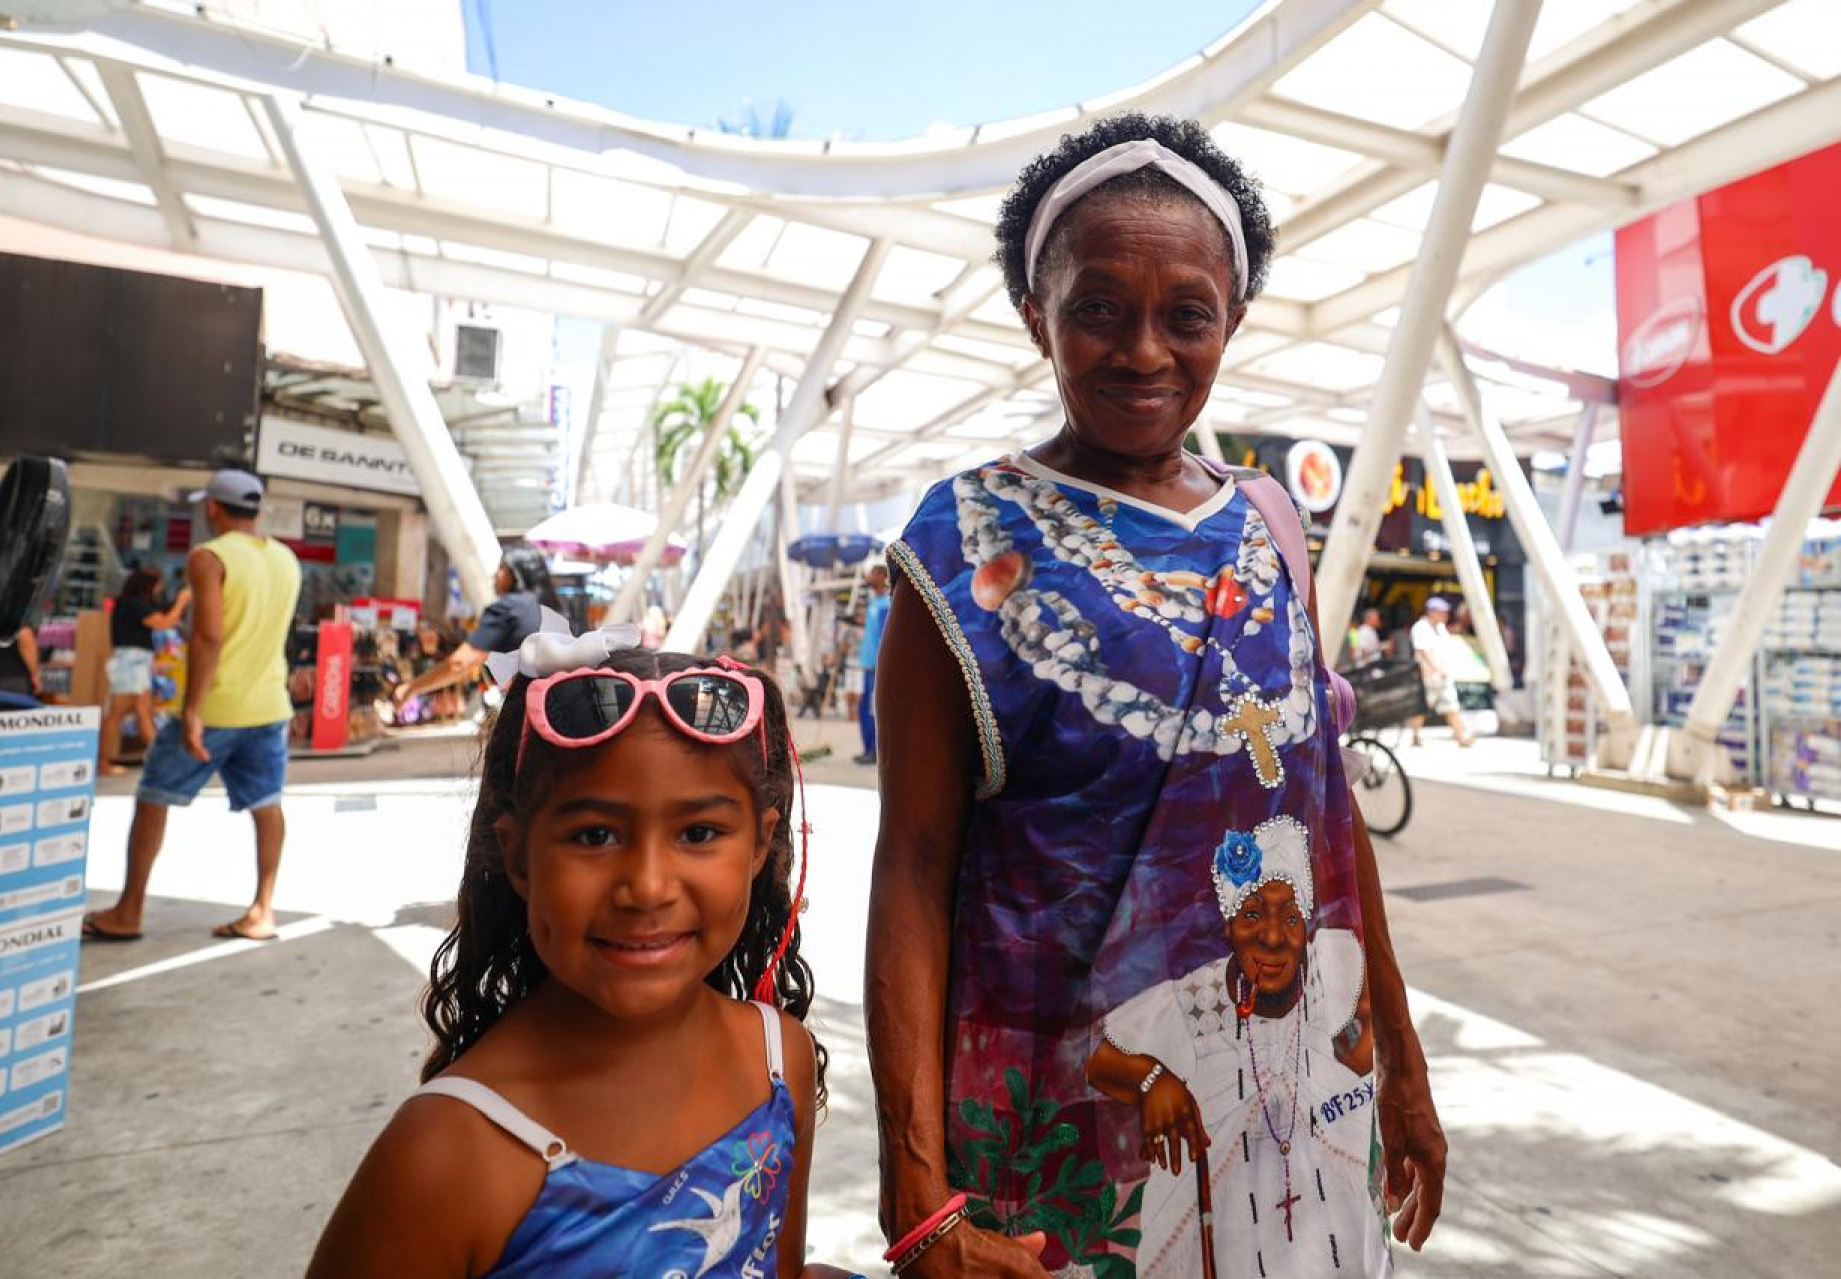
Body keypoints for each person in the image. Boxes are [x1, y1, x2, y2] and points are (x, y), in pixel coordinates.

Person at [866, 114, 1444, 1279]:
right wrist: (914, 1186)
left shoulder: (1270, 520)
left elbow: (1327, 810)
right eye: (1098, 308)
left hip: (1300, 1109)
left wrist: (1403, 1060)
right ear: (1036, 314)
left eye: (1187, 314)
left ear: (1234, 318)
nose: (1143, 351)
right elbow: (914, 868)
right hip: (1064, 1141)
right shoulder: (962, 539)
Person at [306, 644, 847, 1278]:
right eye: (595, 835)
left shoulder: (780, 1060)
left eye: (698, 833)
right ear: (517, 856)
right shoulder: (444, 1155)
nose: (648, 887)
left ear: (760, 844)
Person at [1087, 817, 1376, 1273]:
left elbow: (1367, 1046)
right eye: (1252, 915)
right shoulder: (1196, 1001)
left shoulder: (1328, 971)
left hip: (1322, 1210)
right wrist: (1153, 1079)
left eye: (1291, 918)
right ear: (1229, 925)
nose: (1273, 938)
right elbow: (1101, 1059)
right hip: (1222, 1228)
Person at [83, 469, 300, 943]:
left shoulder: (209, 556)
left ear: (213, 507)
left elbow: (208, 636)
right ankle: (262, 911)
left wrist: (194, 710)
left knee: (154, 797)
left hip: (217, 706)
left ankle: (128, 911)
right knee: (266, 804)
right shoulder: (286, 559)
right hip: (269, 705)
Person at [393, 548, 559, 706]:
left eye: (502, 568)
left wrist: (410, 688)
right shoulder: (554, 610)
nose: (495, 575)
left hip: (531, 710)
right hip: (561, 706)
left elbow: (459, 663)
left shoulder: (507, 609)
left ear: (515, 575)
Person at [100, 567, 192, 773]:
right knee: (119, 713)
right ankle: (105, 762)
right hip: (130, 664)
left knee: (142, 713)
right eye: (157, 584)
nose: (159, 589)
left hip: (135, 663)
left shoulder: (132, 605)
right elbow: (164, 623)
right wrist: (181, 601)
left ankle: (160, 761)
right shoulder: (132, 605)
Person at [1408, 596, 1473, 747]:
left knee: (1452, 706)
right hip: (1427, 676)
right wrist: (1437, 668)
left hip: (1443, 676)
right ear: (1431, 612)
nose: (1445, 615)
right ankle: (1415, 736)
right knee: (1422, 708)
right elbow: (1423, 651)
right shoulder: (1421, 627)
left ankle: (1461, 737)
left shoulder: (1441, 628)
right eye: (1442, 612)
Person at [851, 564, 890, 766]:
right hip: (867, 664)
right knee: (864, 708)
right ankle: (868, 749)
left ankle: (875, 751)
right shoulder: (874, 601)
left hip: (877, 666)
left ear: (883, 576)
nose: (869, 577)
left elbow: (885, 636)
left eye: (873, 573)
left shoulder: (886, 603)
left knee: (872, 709)